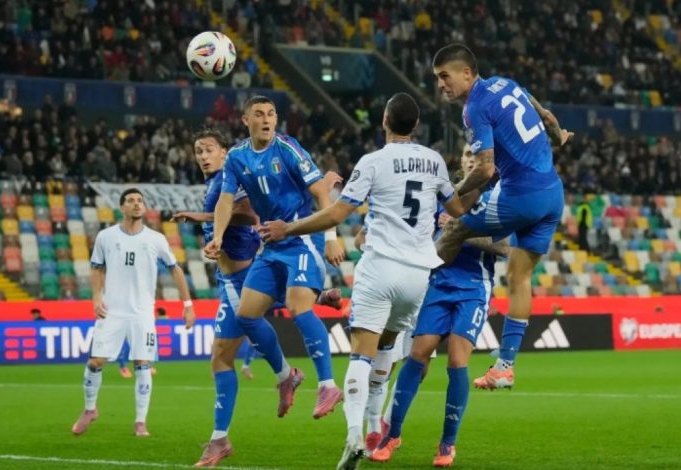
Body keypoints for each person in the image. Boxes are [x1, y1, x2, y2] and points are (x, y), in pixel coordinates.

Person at [259, 92, 475, 470]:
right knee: (387, 347)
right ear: (416, 125)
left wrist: (287, 229)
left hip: (380, 267)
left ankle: (355, 434)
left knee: (361, 353)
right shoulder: (435, 161)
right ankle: (377, 424)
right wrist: (483, 176)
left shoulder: (373, 161)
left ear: (385, 122)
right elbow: (457, 209)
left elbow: (335, 214)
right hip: (418, 276)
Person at [175, 128, 344, 467]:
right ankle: (222, 436)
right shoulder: (221, 179)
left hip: (238, 277)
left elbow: (249, 215)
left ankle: (280, 381)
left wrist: (205, 219)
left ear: (225, 152)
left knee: (225, 353)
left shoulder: (231, 176)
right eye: (198, 151)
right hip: (231, 277)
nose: (203, 156)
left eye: (209, 149)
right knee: (220, 357)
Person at [431, 44, 572, 390]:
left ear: (466, 73)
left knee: (454, 229)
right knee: (519, 277)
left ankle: (416, 296)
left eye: (445, 76)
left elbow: (485, 169)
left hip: (520, 196)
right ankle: (505, 367)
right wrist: (560, 137)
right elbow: (548, 118)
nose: (441, 85)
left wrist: (450, 194)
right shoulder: (508, 84)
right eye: (438, 78)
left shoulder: (474, 107)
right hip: (553, 194)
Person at [205, 96, 346, 423]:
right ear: (246, 120)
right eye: (259, 114)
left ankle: (327, 385)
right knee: (246, 314)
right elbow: (225, 201)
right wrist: (217, 235)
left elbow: (321, 193)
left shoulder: (288, 148)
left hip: (302, 238)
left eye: (271, 114)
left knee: (298, 307)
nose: (267, 119)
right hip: (271, 245)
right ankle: (285, 376)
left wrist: (331, 238)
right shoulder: (237, 157)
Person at [370, 145, 510, 467]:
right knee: (418, 354)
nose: (472, 159)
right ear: (461, 160)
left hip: (473, 287)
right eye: (467, 154)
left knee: (457, 361)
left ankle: (447, 444)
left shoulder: (497, 198)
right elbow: (424, 239)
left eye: (478, 155)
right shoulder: (442, 195)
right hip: (438, 283)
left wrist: (458, 231)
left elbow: (503, 246)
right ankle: (392, 435)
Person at [71, 188, 195, 437]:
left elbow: (176, 269)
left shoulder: (156, 239)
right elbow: (97, 267)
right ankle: (90, 409)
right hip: (111, 310)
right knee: (95, 361)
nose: (137, 204)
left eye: (140, 200)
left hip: (142, 313)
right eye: (131, 200)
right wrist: (96, 296)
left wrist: (188, 304)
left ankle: (140, 421)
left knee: (142, 363)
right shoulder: (106, 237)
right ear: (122, 207)